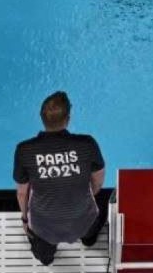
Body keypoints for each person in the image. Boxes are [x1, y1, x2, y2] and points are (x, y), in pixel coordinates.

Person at [13, 91, 108, 266]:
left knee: (44, 254)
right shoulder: (87, 144)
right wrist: (85, 197)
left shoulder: (24, 150)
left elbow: (21, 193)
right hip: (83, 221)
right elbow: (98, 181)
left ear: (41, 118)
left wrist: (25, 220)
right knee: (104, 201)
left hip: (44, 227)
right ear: (68, 119)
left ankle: (46, 257)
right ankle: (88, 239)